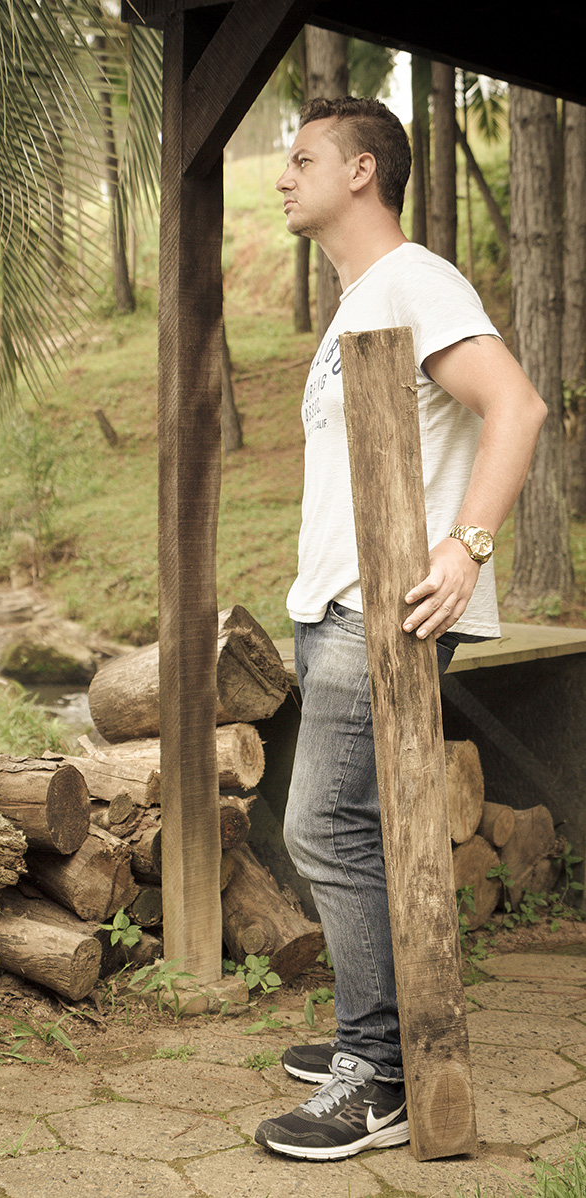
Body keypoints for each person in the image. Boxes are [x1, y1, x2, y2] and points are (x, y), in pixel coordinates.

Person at [254, 96, 547, 1163]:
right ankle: (367, 1037)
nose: (283, 178)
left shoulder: (416, 280)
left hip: (387, 604)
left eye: (303, 158)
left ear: (363, 170)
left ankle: (376, 1073)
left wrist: (466, 543)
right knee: (352, 830)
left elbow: (515, 406)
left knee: (319, 830)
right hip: (337, 597)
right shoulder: (358, 300)